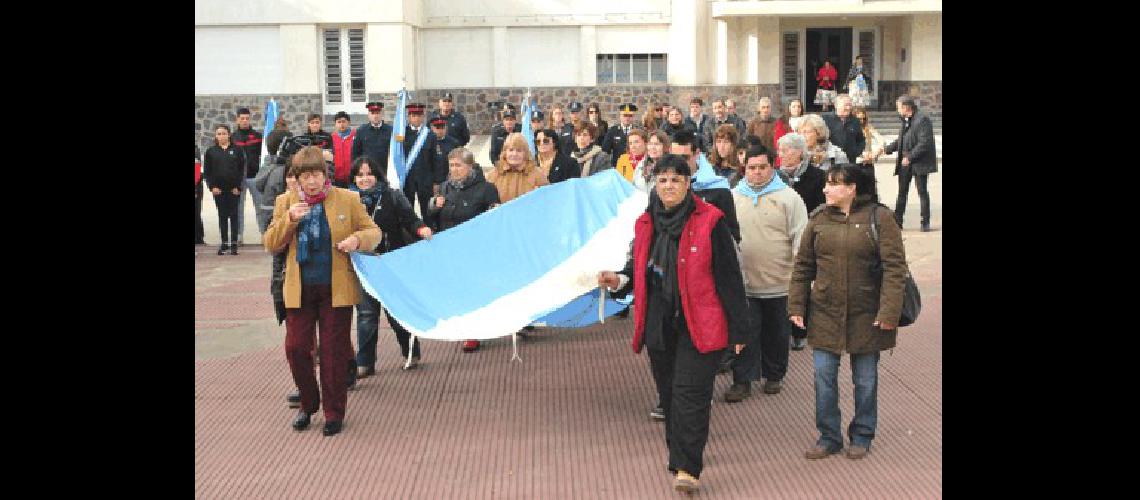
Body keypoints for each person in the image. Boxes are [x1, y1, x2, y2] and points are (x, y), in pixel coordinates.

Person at [597, 153, 750, 494]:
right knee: (669, 396)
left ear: (687, 184)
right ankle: (679, 454)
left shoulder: (711, 221)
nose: (668, 186)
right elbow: (637, 271)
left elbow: (730, 279)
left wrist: (740, 331)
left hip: (701, 323)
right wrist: (618, 281)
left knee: (689, 395)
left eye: (675, 180)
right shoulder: (646, 223)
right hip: (659, 325)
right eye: (662, 180)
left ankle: (688, 467)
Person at [788, 164, 907, 461]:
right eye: (827, 183)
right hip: (825, 311)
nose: (826, 188)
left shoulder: (880, 218)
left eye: (833, 184)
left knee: (865, 379)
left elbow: (895, 269)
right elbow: (803, 266)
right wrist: (796, 305)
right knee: (823, 377)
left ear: (852, 188)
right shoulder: (818, 219)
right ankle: (829, 436)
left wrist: (889, 311)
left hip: (868, 313)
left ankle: (862, 434)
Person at [263, 146, 382, 437]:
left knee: (332, 353)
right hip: (299, 289)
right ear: (297, 179)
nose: (312, 181)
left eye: (317, 174)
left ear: (325, 174)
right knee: (296, 349)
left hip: (335, 289)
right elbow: (271, 243)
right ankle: (308, 402)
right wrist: (289, 220)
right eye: (306, 176)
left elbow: (374, 232)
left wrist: (357, 239)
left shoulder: (347, 199)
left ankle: (333, 412)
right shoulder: (285, 202)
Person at [725, 141, 807, 402]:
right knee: (744, 333)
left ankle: (774, 375)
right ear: (744, 168)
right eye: (752, 168)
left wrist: (800, 278)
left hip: (780, 281)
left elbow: (801, 238)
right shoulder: (733, 197)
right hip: (744, 282)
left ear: (772, 167)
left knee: (777, 333)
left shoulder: (789, 198)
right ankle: (742, 380)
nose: (757, 172)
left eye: (763, 167)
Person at [349, 156, 434, 376]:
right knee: (367, 315)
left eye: (369, 174)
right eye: (360, 175)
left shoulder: (392, 196)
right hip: (363, 264)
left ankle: (410, 352)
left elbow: (411, 219)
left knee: (396, 312)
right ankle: (365, 363)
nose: (365, 179)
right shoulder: (348, 199)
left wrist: (421, 229)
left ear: (377, 176)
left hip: (390, 263)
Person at [873, 95, 936, 231]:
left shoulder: (922, 120)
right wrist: (886, 149)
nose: (897, 110)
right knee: (902, 192)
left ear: (906, 107)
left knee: (922, 192)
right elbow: (901, 140)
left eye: (898, 107)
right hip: (905, 163)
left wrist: (910, 157)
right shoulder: (905, 120)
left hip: (919, 162)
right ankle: (897, 221)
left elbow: (924, 143)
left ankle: (925, 222)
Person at [671, 130, 740, 243]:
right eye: (674, 157)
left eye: (684, 157)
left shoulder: (718, 189)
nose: (679, 163)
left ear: (697, 154)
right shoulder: (663, 187)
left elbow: (732, 235)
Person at [402, 103, 447, 231]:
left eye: (419, 115)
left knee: (427, 209)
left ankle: (429, 230)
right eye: (413, 115)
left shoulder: (430, 135)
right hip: (408, 178)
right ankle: (409, 232)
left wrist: (437, 181)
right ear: (409, 117)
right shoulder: (402, 135)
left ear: (423, 117)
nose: (416, 118)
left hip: (425, 178)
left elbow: (436, 160)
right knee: (407, 208)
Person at [203, 124, 247, 255]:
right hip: (219, 190)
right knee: (222, 216)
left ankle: (234, 243)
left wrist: (238, 187)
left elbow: (242, 170)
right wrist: (212, 187)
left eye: (224, 133)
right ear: (215, 136)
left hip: (234, 190)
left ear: (229, 134)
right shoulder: (211, 152)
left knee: (234, 215)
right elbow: (207, 172)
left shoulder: (237, 150)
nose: (221, 136)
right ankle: (224, 243)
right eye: (219, 134)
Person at [488, 132, 550, 204]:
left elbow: (547, 199)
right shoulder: (493, 175)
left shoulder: (538, 175)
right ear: (505, 152)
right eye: (511, 150)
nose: (514, 154)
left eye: (519, 150)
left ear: (525, 153)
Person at [233, 108, 264, 243]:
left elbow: (264, 156)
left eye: (247, 118)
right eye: (242, 118)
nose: (245, 121)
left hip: (255, 177)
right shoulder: (232, 137)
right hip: (238, 179)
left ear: (250, 119)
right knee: (238, 208)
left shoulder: (258, 136)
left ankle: (264, 234)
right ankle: (239, 236)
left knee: (260, 207)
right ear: (237, 120)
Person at [822, 94, 866, 165]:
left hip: (850, 162)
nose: (848, 108)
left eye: (850, 105)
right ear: (836, 105)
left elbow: (861, 140)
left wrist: (856, 152)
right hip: (830, 161)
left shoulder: (855, 121)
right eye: (846, 105)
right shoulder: (825, 119)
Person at [352, 102, 393, 174]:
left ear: (381, 114)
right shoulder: (361, 131)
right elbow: (355, 153)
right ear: (368, 115)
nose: (375, 116)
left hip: (386, 171)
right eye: (372, 113)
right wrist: (358, 169)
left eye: (377, 113)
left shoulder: (390, 130)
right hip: (368, 172)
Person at [853, 107, 885, 182]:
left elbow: (881, 140)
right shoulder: (849, 129)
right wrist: (862, 155)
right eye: (859, 119)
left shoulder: (868, 127)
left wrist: (876, 152)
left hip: (868, 163)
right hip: (855, 163)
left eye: (863, 118)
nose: (861, 121)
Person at [602, 103, 638, 167]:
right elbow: (605, 150)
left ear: (633, 117)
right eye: (625, 115)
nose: (627, 118)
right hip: (618, 166)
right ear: (620, 116)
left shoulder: (638, 131)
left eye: (630, 116)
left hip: (634, 166)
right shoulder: (613, 131)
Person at [772, 99, 806, 167]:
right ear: (789, 108)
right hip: (785, 156)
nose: (796, 109)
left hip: (802, 156)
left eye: (799, 106)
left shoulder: (806, 121)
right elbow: (778, 141)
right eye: (794, 106)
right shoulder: (782, 122)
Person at [329, 111, 356, 188]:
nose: (341, 124)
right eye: (339, 122)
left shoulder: (356, 136)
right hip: (337, 178)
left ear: (349, 122)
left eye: (344, 121)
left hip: (353, 176)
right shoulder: (331, 138)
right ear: (335, 124)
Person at [195, 145, 206, 245]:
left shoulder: (195, 150)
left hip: (196, 187)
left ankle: (198, 240)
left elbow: (196, 171)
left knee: (196, 215)